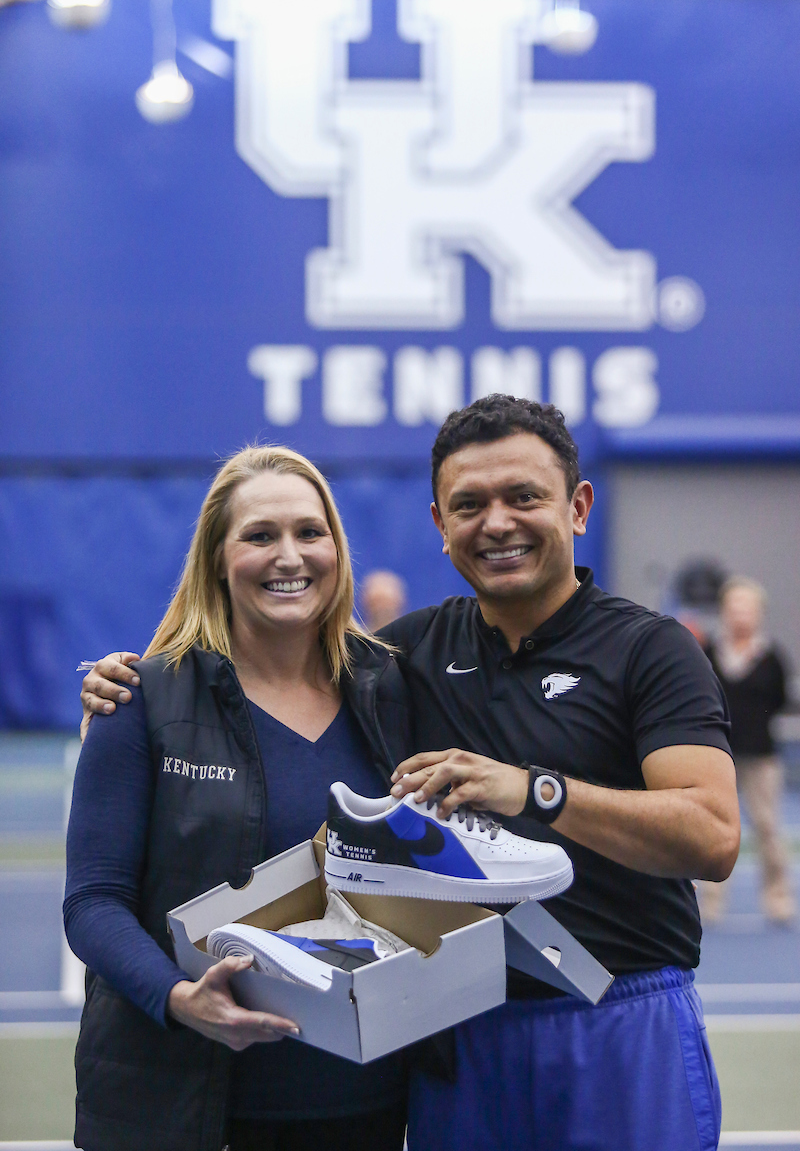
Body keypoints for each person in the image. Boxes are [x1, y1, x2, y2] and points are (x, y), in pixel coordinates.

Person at [82, 397, 740, 1151]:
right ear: (439, 524)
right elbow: (267, 665)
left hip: (619, 1019)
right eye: (470, 505)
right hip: (455, 1033)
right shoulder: (399, 660)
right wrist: (130, 687)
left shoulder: (651, 651)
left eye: (524, 496)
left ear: (578, 507)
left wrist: (533, 790)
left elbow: (714, 837)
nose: (497, 523)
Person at [66, 446, 411, 1151]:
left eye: (310, 533)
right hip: (179, 1107)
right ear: (218, 559)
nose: (290, 556)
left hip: (363, 1103)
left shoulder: (394, 688)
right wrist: (177, 997)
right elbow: (92, 902)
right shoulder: (141, 698)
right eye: (260, 536)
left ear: (337, 548)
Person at [704, 577, 795, 923]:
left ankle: (778, 900)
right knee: (713, 829)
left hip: (761, 757)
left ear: (758, 613)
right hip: (717, 755)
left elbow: (780, 699)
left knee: (769, 828)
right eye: (734, 607)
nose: (740, 614)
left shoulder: (771, 656)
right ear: (724, 611)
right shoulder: (709, 652)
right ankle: (710, 903)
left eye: (748, 608)